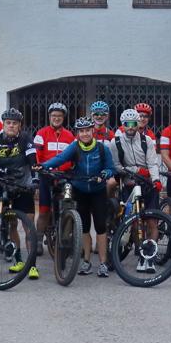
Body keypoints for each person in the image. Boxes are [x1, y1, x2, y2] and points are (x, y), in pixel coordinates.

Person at [44, 117, 117, 276]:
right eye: (81, 131)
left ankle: (103, 263)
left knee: (100, 227)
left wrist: (105, 173)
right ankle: (86, 261)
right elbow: (60, 159)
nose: (84, 134)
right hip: (80, 190)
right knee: (84, 227)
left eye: (87, 130)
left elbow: (111, 168)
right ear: (77, 133)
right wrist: (43, 166)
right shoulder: (74, 147)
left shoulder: (102, 148)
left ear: (92, 131)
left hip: (98, 191)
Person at [0, 108, 40, 280]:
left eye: (15, 123)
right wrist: (0, 172)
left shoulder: (25, 139)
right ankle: (18, 260)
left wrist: (35, 181)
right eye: (8, 122)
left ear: (19, 126)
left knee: (28, 225)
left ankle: (32, 265)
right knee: (11, 225)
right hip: (4, 186)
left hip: (23, 187)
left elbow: (33, 162)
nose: (11, 125)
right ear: (3, 124)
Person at [111, 108, 163, 275]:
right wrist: (134, 170)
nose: (131, 127)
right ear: (123, 125)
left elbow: (153, 162)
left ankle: (150, 257)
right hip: (130, 185)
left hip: (148, 184)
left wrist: (156, 179)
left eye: (134, 123)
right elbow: (116, 166)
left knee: (152, 221)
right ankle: (141, 254)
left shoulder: (146, 140)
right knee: (134, 222)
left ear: (138, 123)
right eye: (127, 124)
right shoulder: (116, 142)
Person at [33, 102, 76, 251]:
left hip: (64, 177)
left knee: (68, 204)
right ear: (49, 117)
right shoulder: (41, 133)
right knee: (44, 210)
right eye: (53, 116)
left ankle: (67, 237)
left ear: (63, 117)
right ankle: (38, 241)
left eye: (59, 116)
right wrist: (38, 172)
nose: (56, 118)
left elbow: (73, 157)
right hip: (46, 176)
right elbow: (36, 155)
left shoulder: (70, 135)